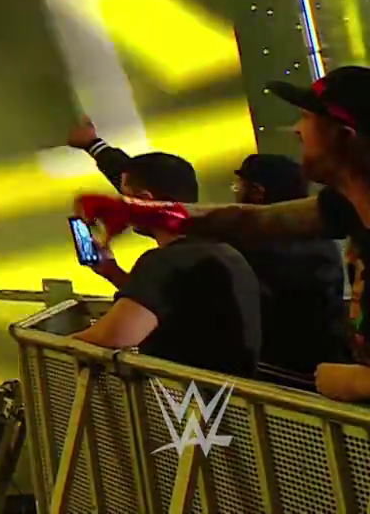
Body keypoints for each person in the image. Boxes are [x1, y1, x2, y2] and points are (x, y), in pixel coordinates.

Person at [75, 67, 370, 400]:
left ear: (343, 137)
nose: (296, 130)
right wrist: (134, 209)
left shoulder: (252, 254)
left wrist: (358, 384)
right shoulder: (342, 207)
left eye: (306, 118)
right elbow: (247, 220)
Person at [70, 150, 263, 377]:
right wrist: (112, 271)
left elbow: (113, 336)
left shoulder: (164, 261)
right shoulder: (221, 250)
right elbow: (170, 302)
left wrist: (50, 345)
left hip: (190, 395)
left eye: (124, 198)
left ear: (144, 200)